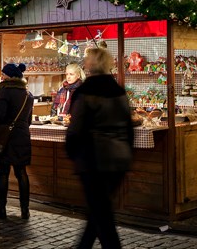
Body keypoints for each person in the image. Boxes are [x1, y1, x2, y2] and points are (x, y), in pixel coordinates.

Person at [66, 48, 133, 249]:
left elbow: (77, 128)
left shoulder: (86, 92)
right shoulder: (119, 90)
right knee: (99, 210)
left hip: (94, 158)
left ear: (90, 64)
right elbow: (129, 126)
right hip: (119, 157)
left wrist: (72, 151)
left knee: (100, 212)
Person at [0, 63, 33, 220]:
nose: (1, 77)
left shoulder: (5, 92)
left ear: (9, 77)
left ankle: (1, 209)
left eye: (3, 75)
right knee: (21, 172)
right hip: (22, 137)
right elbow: (28, 119)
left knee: (3, 173)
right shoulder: (28, 94)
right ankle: (25, 210)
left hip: (6, 138)